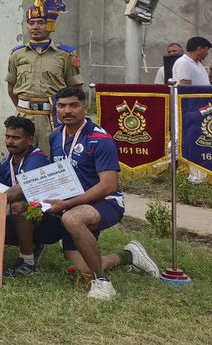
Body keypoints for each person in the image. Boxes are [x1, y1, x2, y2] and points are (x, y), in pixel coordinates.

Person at [46, 87, 160, 299]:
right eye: (61, 106)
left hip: (106, 202)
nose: (67, 111)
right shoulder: (54, 137)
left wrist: (66, 205)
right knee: (83, 267)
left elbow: (108, 185)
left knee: (72, 219)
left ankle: (102, 282)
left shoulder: (101, 139)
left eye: (74, 105)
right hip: (73, 204)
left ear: (84, 107)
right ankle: (128, 255)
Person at [7, 0, 83, 153]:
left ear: (50, 25)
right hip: (24, 116)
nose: (35, 27)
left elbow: (76, 89)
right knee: (22, 158)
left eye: (41, 22)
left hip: (53, 119)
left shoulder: (65, 54)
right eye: (31, 23)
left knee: (53, 160)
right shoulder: (16, 54)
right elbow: (11, 87)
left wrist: (65, 113)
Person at [0, 116, 56, 278]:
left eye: (16, 138)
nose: (10, 141)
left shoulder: (37, 158)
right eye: (7, 136)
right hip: (22, 221)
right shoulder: (5, 162)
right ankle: (33, 245)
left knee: (19, 205)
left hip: (50, 219)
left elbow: (21, 189)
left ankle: (27, 261)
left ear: (29, 140)